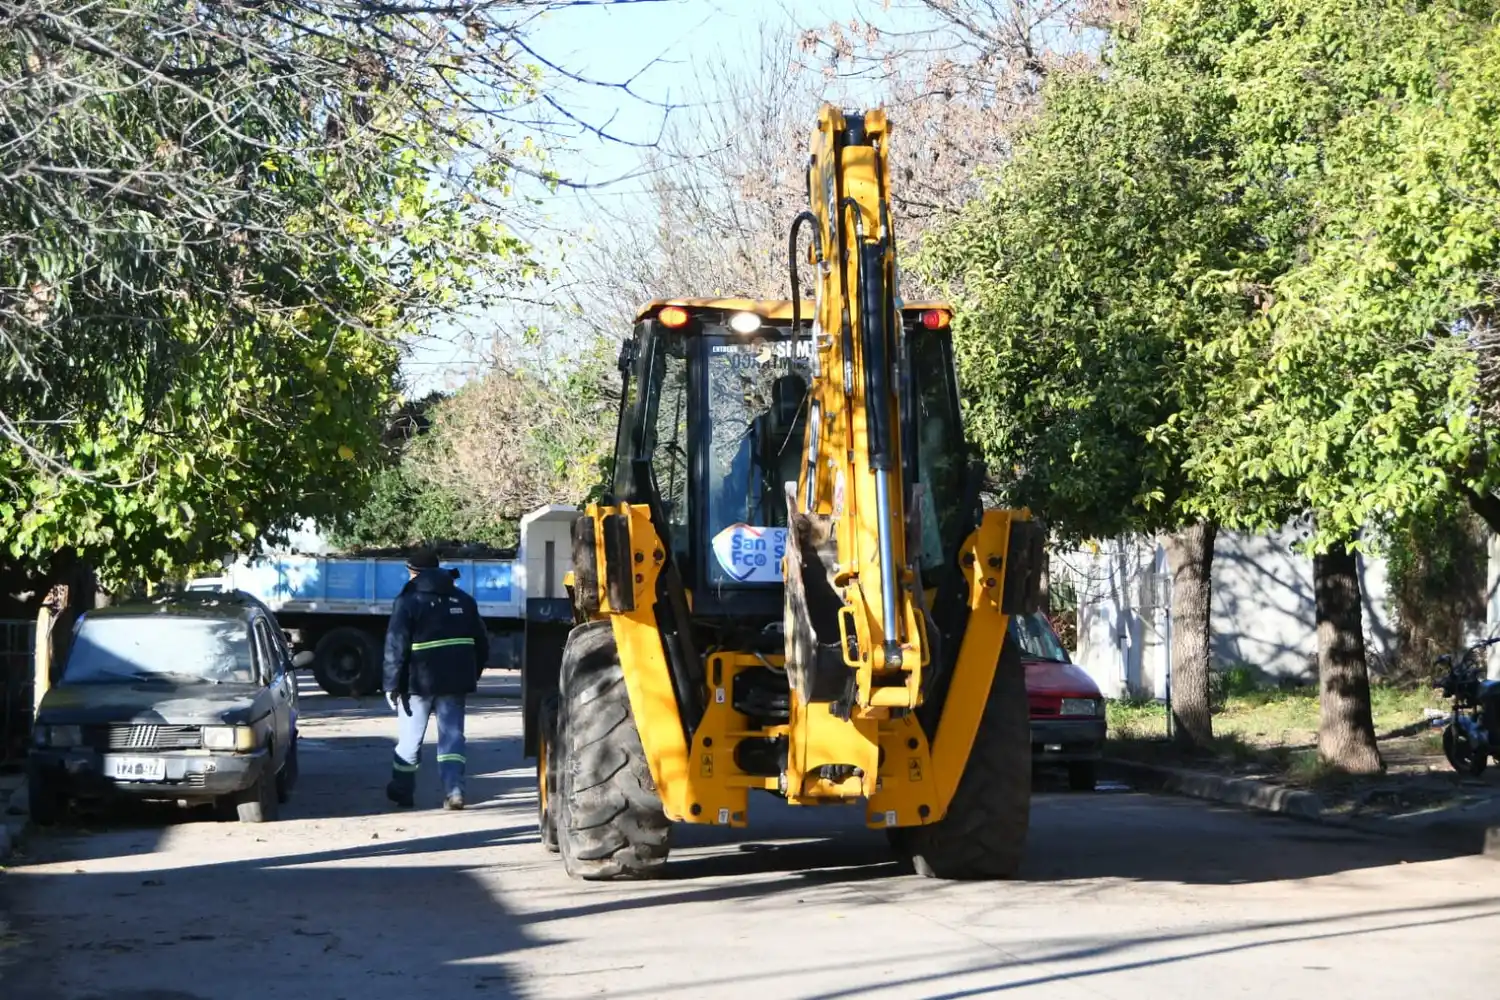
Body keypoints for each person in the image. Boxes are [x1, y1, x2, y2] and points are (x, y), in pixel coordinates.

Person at [382, 547, 490, 810]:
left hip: (417, 684)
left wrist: (391, 684)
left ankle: (402, 791)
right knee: (452, 739)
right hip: (454, 682)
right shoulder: (464, 600)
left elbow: (396, 646)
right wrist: (470, 674)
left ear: (413, 572)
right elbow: (482, 644)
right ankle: (455, 791)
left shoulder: (407, 600)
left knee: (410, 739)